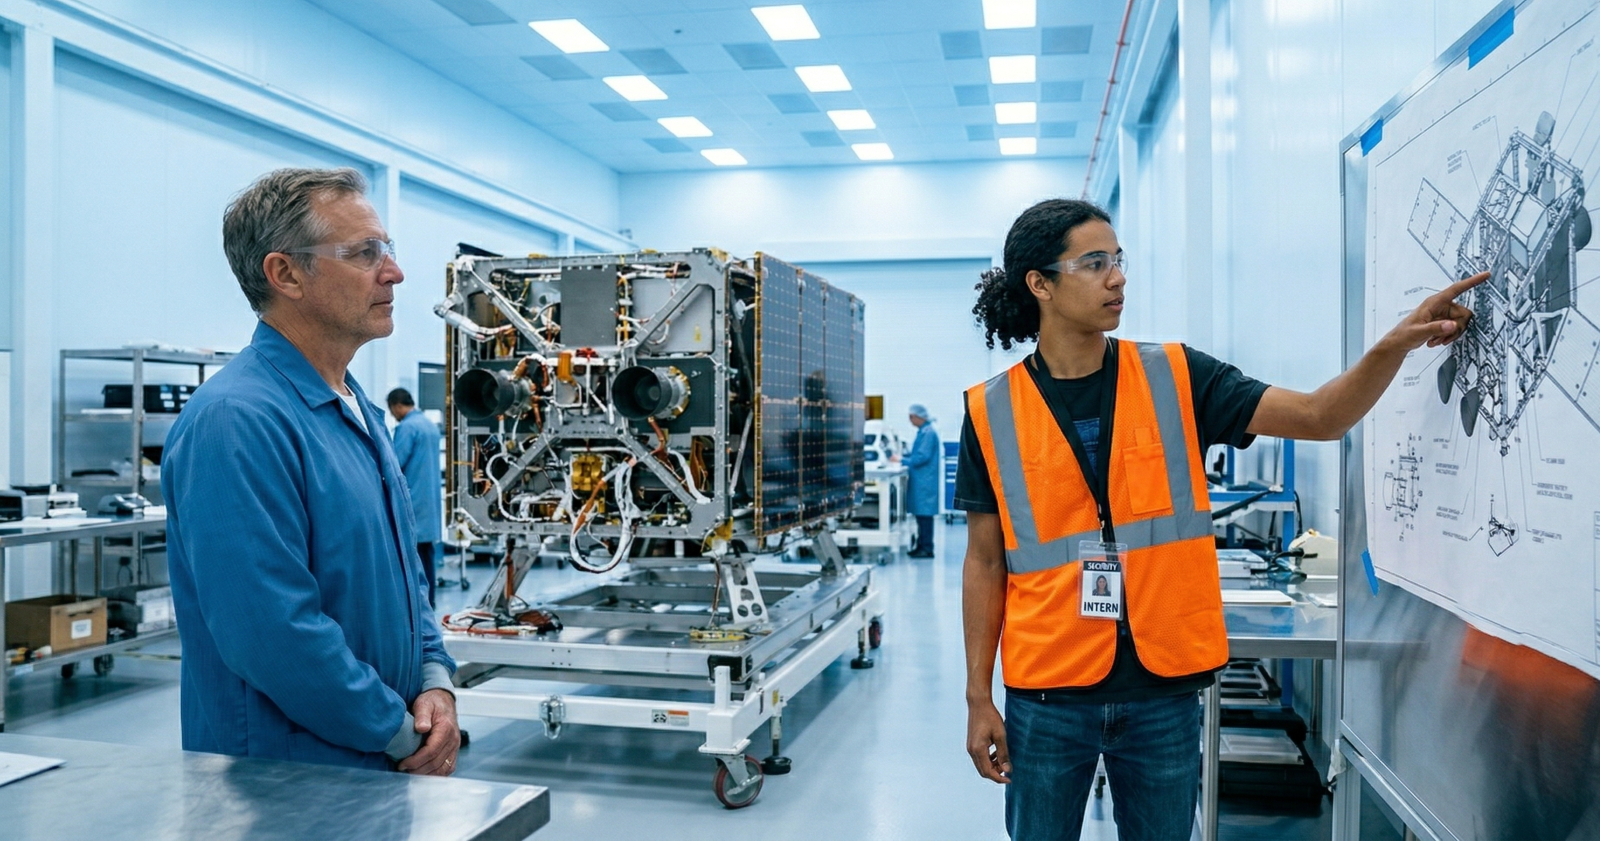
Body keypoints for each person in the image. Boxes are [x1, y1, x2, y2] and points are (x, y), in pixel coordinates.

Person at [957, 198, 1483, 840]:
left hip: (1162, 692)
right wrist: (978, 695)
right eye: (1094, 263)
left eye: (1118, 260)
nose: (1118, 278)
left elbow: (1320, 416)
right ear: (1040, 284)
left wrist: (1394, 345)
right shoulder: (991, 410)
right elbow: (985, 561)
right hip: (1048, 695)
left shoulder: (1177, 375)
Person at [163, 167, 460, 774]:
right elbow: (272, 633)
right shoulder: (237, 420)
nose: (394, 272)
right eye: (364, 253)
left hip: (379, 758)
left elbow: (406, 575)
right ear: (286, 274)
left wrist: (435, 680)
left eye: (388, 250)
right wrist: (399, 733)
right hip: (288, 778)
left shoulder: (354, 407)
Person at [387, 387, 443, 606]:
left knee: (412, 556)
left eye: (392, 410)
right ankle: (429, 601)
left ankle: (418, 603)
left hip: (413, 501)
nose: (393, 414)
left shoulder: (407, 428)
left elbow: (394, 463)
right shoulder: (429, 425)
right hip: (429, 502)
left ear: (397, 406)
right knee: (427, 554)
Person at [904, 404, 941, 558]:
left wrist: (902, 460)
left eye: (911, 417)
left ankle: (926, 548)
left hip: (925, 482)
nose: (910, 420)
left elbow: (922, 457)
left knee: (924, 516)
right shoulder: (924, 432)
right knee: (921, 516)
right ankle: (921, 545)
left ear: (918, 417)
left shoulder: (928, 433)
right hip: (922, 481)